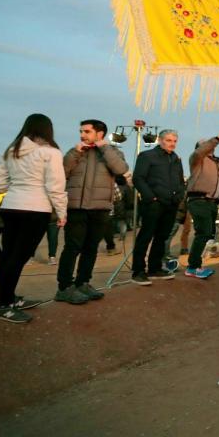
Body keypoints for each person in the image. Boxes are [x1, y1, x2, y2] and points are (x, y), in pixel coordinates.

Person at [0, 114, 67, 323]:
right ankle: (4, 305)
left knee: (8, 256)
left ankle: (9, 299)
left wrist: (15, 190)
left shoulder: (11, 150)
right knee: (18, 258)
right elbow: (56, 186)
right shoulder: (50, 153)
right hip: (36, 209)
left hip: (11, 208)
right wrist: (62, 213)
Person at [56, 119, 129, 304]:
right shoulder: (75, 152)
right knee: (72, 248)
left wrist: (105, 148)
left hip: (100, 208)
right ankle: (64, 287)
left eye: (87, 131)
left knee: (91, 248)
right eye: (81, 131)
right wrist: (74, 153)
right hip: (76, 208)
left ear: (100, 134)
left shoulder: (112, 152)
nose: (82, 135)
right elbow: (61, 173)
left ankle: (83, 283)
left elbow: (121, 169)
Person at [131, 129, 184, 285]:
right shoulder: (147, 156)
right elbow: (138, 178)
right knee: (145, 237)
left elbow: (180, 181)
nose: (172, 143)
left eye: (174, 141)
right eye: (168, 140)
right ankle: (138, 271)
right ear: (160, 140)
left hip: (171, 204)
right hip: (153, 204)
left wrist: (179, 197)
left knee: (162, 237)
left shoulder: (176, 159)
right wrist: (151, 197)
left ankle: (154, 269)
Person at [183, 132, 219, 281]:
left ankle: (196, 265)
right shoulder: (197, 159)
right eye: (206, 144)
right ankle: (192, 267)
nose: (210, 146)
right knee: (203, 232)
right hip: (198, 199)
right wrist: (218, 139)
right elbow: (201, 151)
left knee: (208, 233)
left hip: (212, 202)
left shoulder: (218, 162)